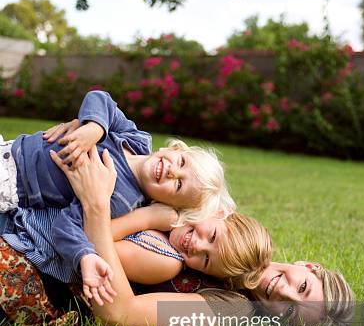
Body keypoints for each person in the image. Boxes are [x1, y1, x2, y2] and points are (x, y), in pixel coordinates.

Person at [46, 146, 354, 326]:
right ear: (309, 266)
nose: (284, 292)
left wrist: (95, 206)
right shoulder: (226, 219)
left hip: (55, 262)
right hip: (59, 203)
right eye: (302, 287)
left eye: (290, 310)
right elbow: (166, 166)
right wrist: (89, 134)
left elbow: (121, 314)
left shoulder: (231, 308)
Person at [0, 91, 234, 292]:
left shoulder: (123, 200)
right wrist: (94, 127)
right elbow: (102, 99)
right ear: (173, 148)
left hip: (13, 184)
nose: (173, 172)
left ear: (163, 202)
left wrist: (85, 255)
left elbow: (68, 225)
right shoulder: (137, 140)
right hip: (13, 147)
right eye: (182, 163)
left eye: (179, 185)